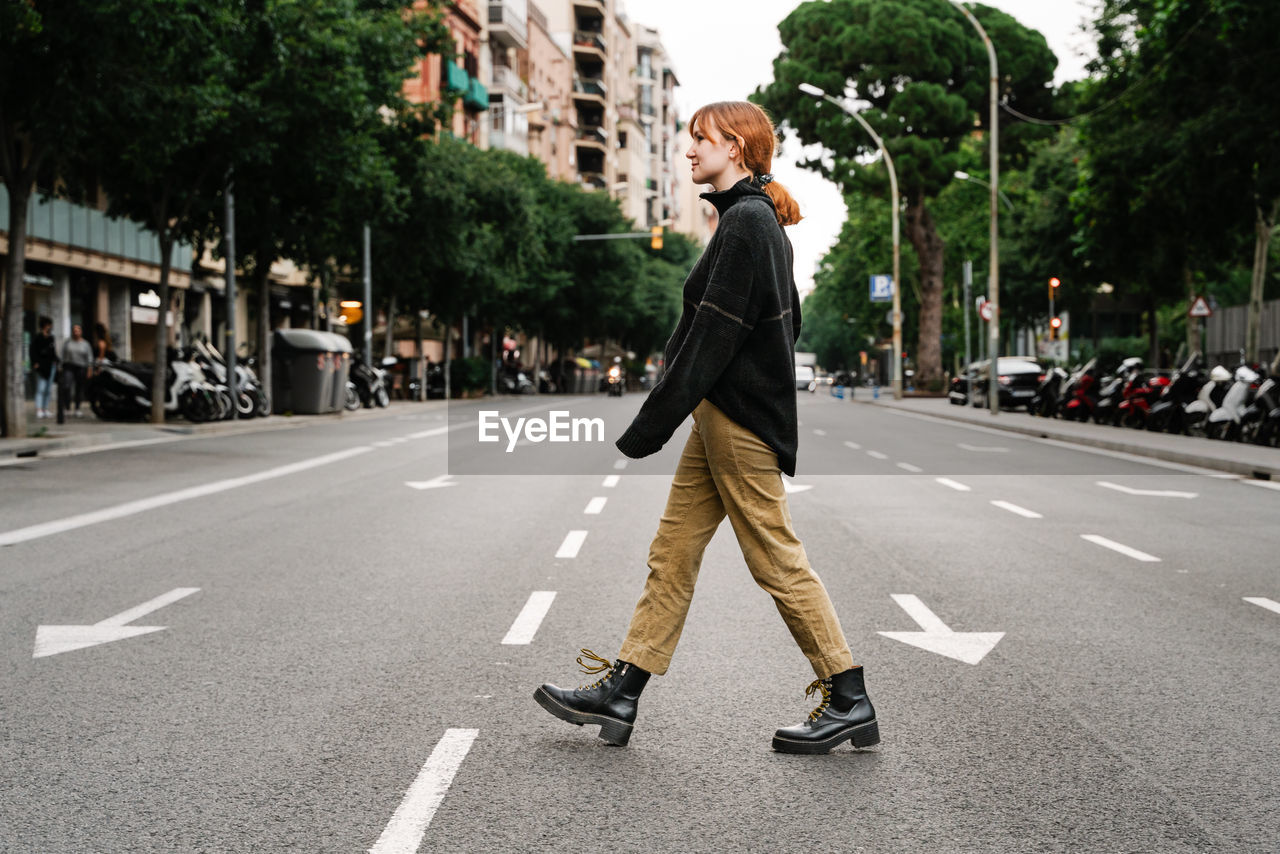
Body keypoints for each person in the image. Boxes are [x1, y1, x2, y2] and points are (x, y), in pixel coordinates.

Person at [534, 101, 878, 755]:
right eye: (690, 140)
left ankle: (849, 695)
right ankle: (624, 690)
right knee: (673, 553)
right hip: (722, 416)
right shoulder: (749, 221)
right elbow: (779, 323)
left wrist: (650, 422)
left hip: (737, 421)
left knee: (776, 558)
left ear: (738, 148)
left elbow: (711, 336)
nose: (689, 151)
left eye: (702, 140)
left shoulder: (749, 223)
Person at [60, 324, 94, 418]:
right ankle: (67, 408)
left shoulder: (85, 344)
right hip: (69, 366)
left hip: (81, 367)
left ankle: (77, 408)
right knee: (67, 386)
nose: (76, 332)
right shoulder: (67, 343)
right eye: (74, 330)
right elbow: (62, 355)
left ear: (81, 332)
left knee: (79, 388)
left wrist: (89, 369)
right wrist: (60, 366)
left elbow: (89, 357)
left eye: (77, 330)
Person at [30, 317, 59, 419]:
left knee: (48, 389)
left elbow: (53, 351)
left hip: (51, 366)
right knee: (41, 389)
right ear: (45, 325)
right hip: (41, 366)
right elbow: (33, 351)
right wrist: (35, 363)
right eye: (48, 324)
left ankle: (45, 409)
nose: (50, 326)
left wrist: (56, 361)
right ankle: (39, 409)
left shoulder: (51, 338)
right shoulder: (37, 338)